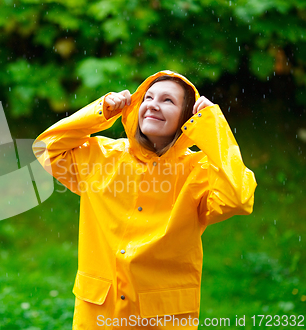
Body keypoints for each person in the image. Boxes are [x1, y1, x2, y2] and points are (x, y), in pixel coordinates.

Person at [32, 70, 257, 329]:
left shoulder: (200, 170)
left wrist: (213, 129)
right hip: (98, 315)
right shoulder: (101, 156)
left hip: (162, 318)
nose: (152, 104)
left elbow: (238, 199)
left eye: (167, 101)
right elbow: (46, 147)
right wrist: (101, 111)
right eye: (148, 97)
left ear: (187, 117)